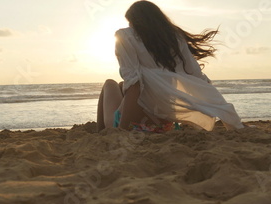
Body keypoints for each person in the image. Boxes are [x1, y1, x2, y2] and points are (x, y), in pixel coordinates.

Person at [96, 0, 245, 133]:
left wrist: (122, 130)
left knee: (110, 84)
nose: (129, 26)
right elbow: (199, 78)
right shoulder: (175, 37)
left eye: (130, 22)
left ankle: (100, 132)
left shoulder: (124, 36)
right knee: (122, 85)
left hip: (134, 126)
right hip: (163, 126)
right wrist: (230, 118)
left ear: (134, 22)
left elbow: (134, 84)